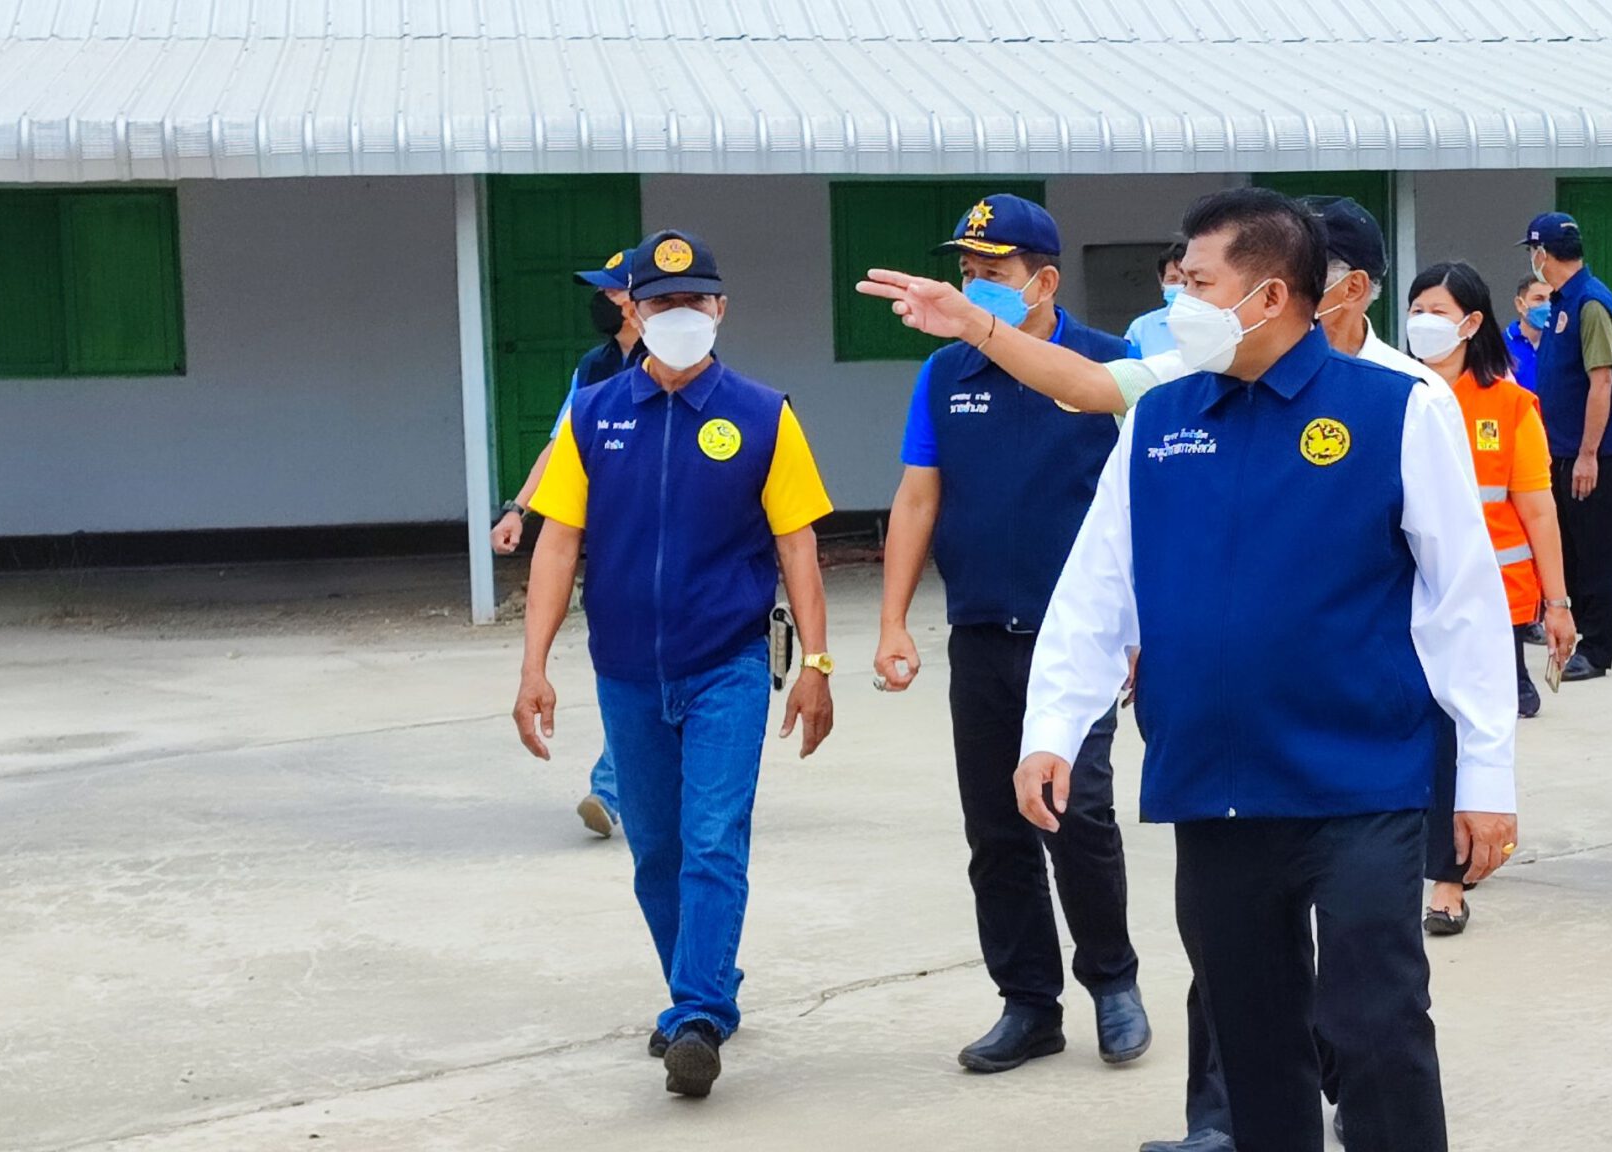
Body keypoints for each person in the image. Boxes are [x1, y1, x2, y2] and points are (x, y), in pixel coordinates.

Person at [1008, 187, 1515, 1152]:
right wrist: (1052, 731)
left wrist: (1486, 780)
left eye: (1198, 283)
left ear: (1271, 295)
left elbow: (1466, 606)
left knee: (1376, 1025)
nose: (1177, 301)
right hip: (1216, 788)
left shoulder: (1398, 408)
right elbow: (1095, 590)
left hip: (1359, 783)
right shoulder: (1159, 420)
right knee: (1253, 1041)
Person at [511, 229, 839, 1099]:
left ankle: (696, 1015)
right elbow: (557, 545)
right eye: (661, 302)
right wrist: (533, 665)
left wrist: (816, 664)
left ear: (721, 308)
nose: (678, 314)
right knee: (655, 851)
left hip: (727, 664)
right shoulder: (594, 415)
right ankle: (703, 986)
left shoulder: (764, 415)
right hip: (624, 670)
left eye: (694, 301)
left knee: (711, 840)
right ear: (635, 310)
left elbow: (798, 548)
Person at [871, 194, 1150, 1073]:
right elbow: (918, 497)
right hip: (983, 630)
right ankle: (1029, 1003)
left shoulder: (1112, 367)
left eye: (992, 272)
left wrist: (1144, 624)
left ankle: (1113, 982)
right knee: (995, 830)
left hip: (1080, 641)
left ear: (1045, 280)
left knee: (1079, 813)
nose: (973, 286)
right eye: (967, 271)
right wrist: (892, 621)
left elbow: (1152, 504)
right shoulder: (944, 374)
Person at [1405, 259, 1577, 935]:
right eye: (1417, 309)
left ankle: (1448, 880)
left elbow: (1538, 510)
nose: (1423, 322)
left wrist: (1558, 604)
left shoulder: (1509, 406)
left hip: (1489, 602)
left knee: (1460, 736)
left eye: (1439, 312)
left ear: (1472, 323)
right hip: (1402, 601)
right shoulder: (1393, 394)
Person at [491, 245, 645, 838]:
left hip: (661, 536)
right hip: (607, 541)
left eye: (610, 290)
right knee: (622, 666)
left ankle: (613, 786)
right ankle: (635, 779)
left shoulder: (676, 362)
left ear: (637, 300)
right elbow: (562, 444)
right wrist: (519, 509)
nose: (601, 301)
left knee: (650, 670)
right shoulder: (593, 367)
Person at [1521, 211, 1612, 681]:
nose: (1533, 260)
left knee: (1595, 550)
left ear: (1543, 253)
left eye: (1533, 252)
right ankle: (1578, 632)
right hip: (1561, 448)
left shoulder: (1590, 303)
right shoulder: (1564, 301)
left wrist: (1588, 454)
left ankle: (1599, 648)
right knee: (1570, 549)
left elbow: (1601, 382)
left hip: (1590, 453)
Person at [1299, 195, 1451, 393]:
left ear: (1353, 288)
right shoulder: (1261, 377)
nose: (1279, 291)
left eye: (1298, 273)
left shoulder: (1415, 392)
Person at [1125, 241, 1187, 356]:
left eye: (1186, 282)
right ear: (1161, 281)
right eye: (1172, 280)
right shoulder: (1141, 328)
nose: (1180, 286)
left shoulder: (1216, 323)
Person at [1505, 274, 1553, 393]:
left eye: (1552, 299)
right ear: (1520, 304)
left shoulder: (1563, 343)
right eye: (1539, 299)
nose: (1547, 306)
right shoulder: (1500, 346)